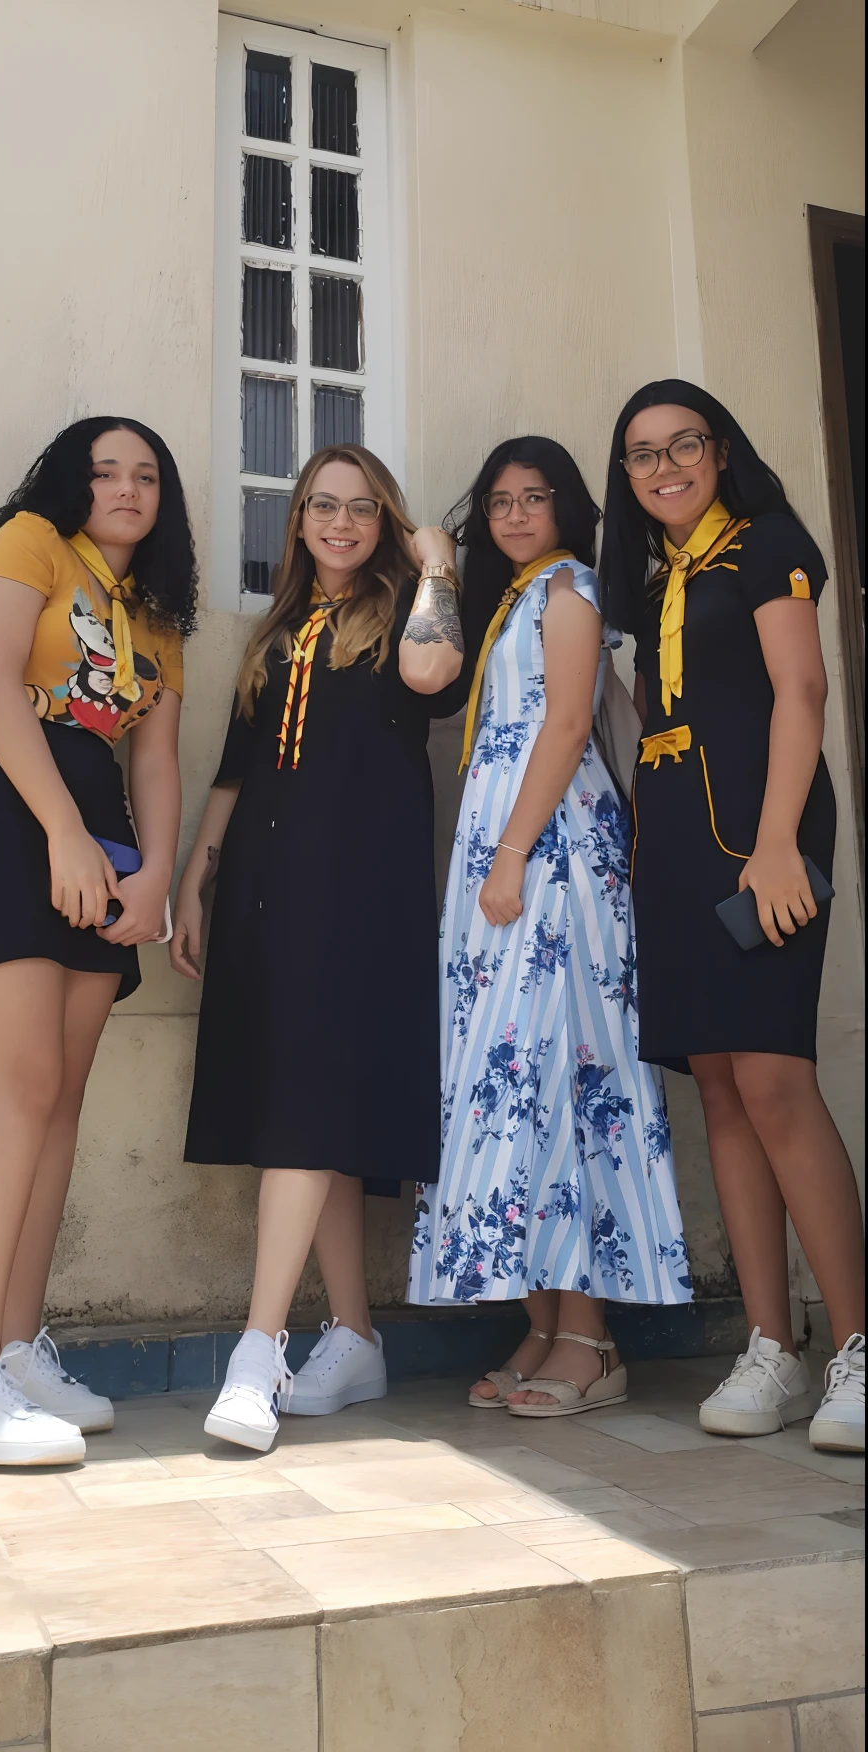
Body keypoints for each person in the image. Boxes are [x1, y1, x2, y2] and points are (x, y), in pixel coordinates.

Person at [0, 418, 195, 1468]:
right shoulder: (28, 540)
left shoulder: (156, 614)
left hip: (100, 826)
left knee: (60, 1099)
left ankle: (15, 1350)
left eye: (145, 474)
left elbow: (155, 755)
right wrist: (63, 835)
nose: (124, 487)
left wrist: (154, 870)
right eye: (104, 469)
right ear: (70, 484)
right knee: (19, 1084)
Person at [174, 445, 466, 1451]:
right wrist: (194, 880)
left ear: (385, 521)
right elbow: (233, 768)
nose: (338, 524)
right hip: (265, 892)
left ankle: (258, 1350)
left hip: (357, 894)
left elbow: (436, 673)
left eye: (360, 509)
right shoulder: (276, 631)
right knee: (309, 1108)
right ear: (297, 519)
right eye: (320, 506)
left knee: (304, 1106)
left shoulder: (401, 617)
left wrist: (436, 566)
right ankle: (353, 1333)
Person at [599, 380, 864, 1453]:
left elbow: (798, 693)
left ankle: (854, 1341)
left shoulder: (765, 543)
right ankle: (771, 1343)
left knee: (771, 1076)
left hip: (760, 833)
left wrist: (773, 845)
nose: (663, 467)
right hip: (668, 841)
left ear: (718, 449)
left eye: (682, 445)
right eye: (640, 454)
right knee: (715, 1083)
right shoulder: (651, 570)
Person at [409, 438, 691, 1418]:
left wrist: (509, 854)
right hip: (509, 860)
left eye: (535, 497)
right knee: (508, 1078)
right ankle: (541, 1318)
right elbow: (424, 674)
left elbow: (568, 724)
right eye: (499, 500)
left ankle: (590, 1337)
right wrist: (436, 570)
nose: (517, 513)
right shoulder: (509, 602)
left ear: (569, 508)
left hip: (549, 858)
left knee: (567, 1075)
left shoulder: (569, 589)